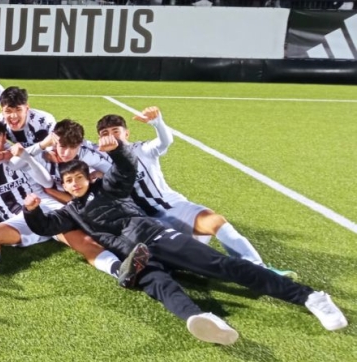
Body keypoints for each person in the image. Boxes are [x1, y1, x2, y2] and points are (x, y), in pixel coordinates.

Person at [21, 135, 347, 345]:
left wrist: (118, 151)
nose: (74, 184)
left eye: (78, 178)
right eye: (69, 180)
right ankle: (201, 319)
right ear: (63, 185)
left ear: (87, 178)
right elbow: (46, 226)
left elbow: (126, 169)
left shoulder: (108, 188)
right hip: (133, 256)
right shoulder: (70, 212)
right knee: (158, 285)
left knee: (221, 266)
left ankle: (311, 297)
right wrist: (33, 211)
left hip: (154, 236)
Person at [94, 107, 294, 276]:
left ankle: (258, 268)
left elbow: (165, 142)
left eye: (116, 131)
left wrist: (158, 124)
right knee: (180, 263)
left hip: (175, 206)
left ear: (126, 133)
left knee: (216, 221)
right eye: (105, 133)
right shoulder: (100, 162)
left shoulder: (143, 149)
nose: (111, 136)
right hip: (146, 220)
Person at [0, 119, 128, 281]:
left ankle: (118, 270)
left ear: (4, 138)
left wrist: (97, 174)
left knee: (83, 240)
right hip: (20, 221)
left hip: (47, 209)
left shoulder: (21, 155)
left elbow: (44, 179)